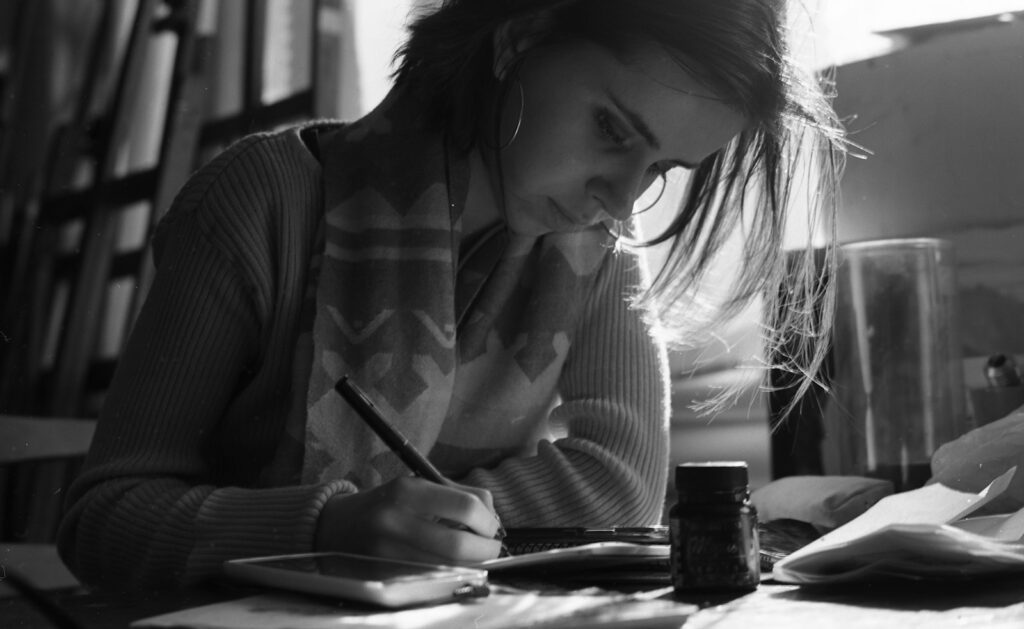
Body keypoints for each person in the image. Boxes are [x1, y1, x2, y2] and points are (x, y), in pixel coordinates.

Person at [58, 0, 845, 589]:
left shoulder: (595, 255)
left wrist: (433, 525)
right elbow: (103, 518)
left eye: (662, 169)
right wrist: (330, 526)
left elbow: (623, 482)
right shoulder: (258, 203)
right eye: (611, 130)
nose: (618, 197)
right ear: (519, 34)